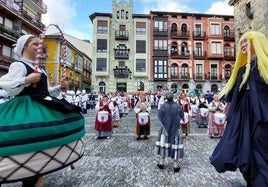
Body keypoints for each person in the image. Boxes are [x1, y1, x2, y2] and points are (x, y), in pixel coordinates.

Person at [0, 34, 85, 186]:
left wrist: (60, 87)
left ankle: (36, 173)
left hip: (41, 102)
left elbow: (45, 91)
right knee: (26, 133)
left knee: (72, 115)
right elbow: (6, 84)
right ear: (24, 46)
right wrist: (26, 80)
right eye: (35, 44)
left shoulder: (40, 69)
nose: (40, 46)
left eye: (40, 44)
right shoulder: (19, 65)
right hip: (25, 106)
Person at [210, 31, 268, 186]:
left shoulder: (265, 66)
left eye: (246, 42)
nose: (243, 45)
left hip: (262, 115)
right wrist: (229, 105)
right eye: (242, 43)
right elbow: (235, 90)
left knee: (260, 148)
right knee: (245, 147)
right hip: (244, 116)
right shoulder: (242, 70)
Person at [155, 91, 184, 172]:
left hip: (165, 128)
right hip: (176, 128)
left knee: (164, 144)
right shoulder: (177, 105)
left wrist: (165, 122)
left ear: (166, 98)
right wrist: (176, 121)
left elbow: (160, 116)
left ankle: (161, 162)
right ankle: (176, 164)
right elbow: (182, 115)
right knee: (175, 145)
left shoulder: (163, 105)